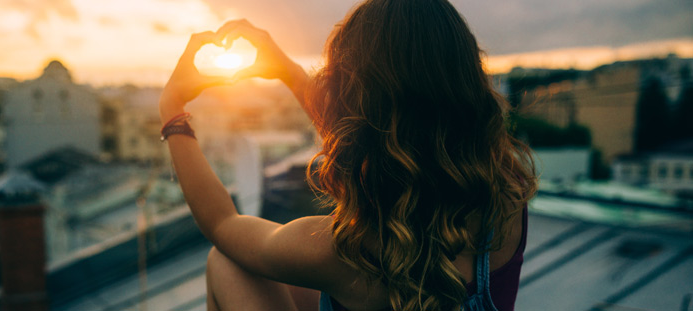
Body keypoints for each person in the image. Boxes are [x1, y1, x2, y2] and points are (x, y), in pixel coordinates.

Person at [157, 0, 537, 310]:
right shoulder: (507, 192)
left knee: (227, 264)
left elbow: (222, 225)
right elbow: (386, 132)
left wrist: (172, 112)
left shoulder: (346, 254)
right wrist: (287, 72)